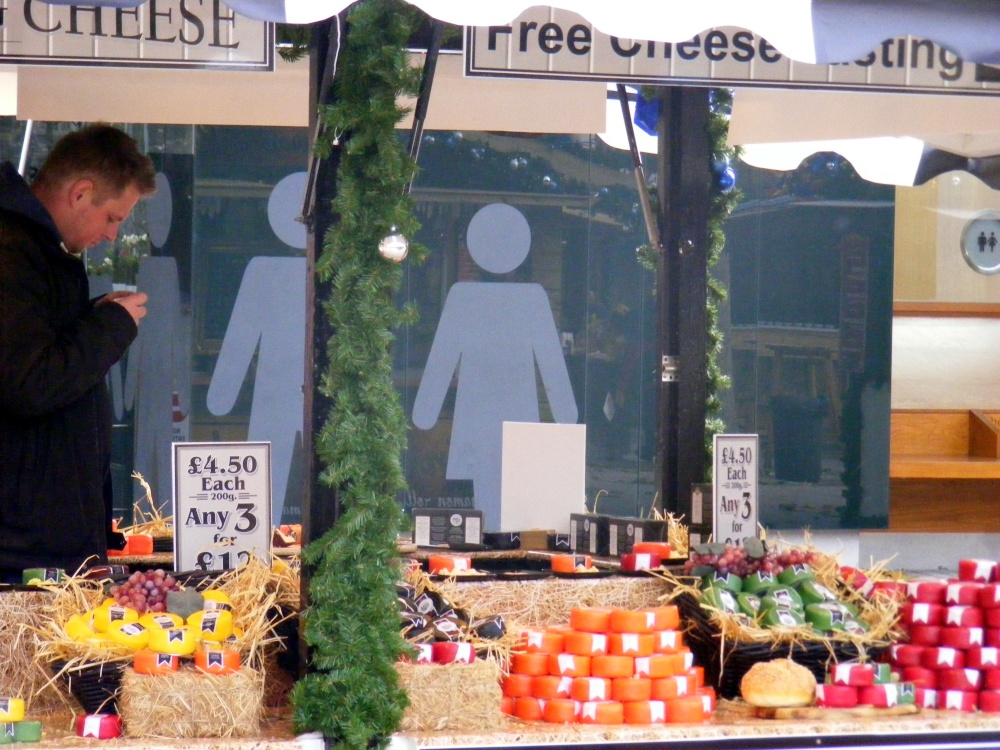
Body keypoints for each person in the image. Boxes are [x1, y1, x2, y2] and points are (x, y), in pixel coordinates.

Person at [0, 124, 157, 583]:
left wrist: (91, 320)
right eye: (113, 218)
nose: (112, 235)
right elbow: (28, 383)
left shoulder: (37, 250)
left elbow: (33, 351)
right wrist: (109, 327)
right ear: (81, 193)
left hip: (36, 538)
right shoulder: (12, 251)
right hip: (20, 548)